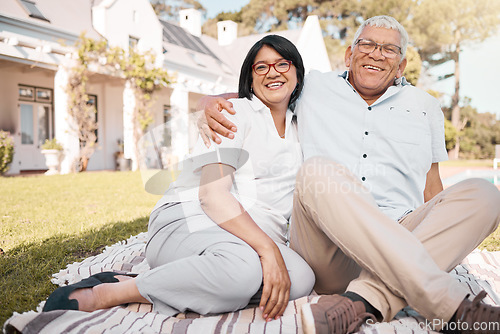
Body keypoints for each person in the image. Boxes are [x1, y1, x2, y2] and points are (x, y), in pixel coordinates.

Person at [198, 15, 500, 334]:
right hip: (328, 247)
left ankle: (361, 302)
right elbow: (260, 92)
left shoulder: (426, 107)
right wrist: (208, 104)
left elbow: (433, 190)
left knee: (484, 194)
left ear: (401, 65)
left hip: (403, 234)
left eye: (388, 49)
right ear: (348, 54)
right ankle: (454, 309)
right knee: (317, 171)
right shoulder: (312, 87)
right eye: (367, 44)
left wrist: (446, 234)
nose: (375, 53)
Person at [42, 35, 315, 322]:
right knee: (243, 272)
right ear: (250, 79)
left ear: (297, 72)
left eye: (282, 64)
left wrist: (267, 249)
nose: (273, 72)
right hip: (192, 220)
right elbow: (212, 197)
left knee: (301, 279)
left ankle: (196, 279)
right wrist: (268, 250)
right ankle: (114, 291)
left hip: (247, 241)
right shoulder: (235, 114)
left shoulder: (302, 126)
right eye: (261, 67)